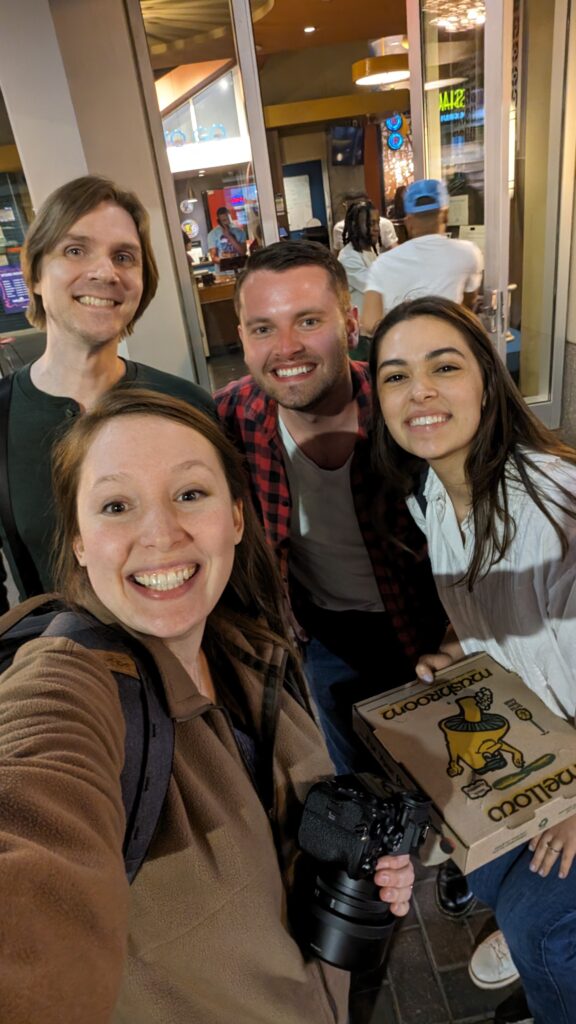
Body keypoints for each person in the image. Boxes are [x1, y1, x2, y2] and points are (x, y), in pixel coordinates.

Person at [0, 387, 415, 1023]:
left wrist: (349, 866)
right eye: (116, 506)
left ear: (238, 518)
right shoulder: (69, 686)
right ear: (80, 543)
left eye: (190, 493)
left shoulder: (252, 652)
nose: (161, 534)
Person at [370, 295, 576, 1024]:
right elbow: (503, 610)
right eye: (396, 376)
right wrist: (464, 647)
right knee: (483, 869)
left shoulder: (554, 509)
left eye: (445, 367)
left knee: (535, 924)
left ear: (488, 381)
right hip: (545, 739)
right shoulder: (434, 495)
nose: (419, 391)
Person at [215, 241, 446, 774]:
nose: (286, 348)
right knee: (356, 778)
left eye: (308, 320)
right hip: (318, 634)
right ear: (242, 339)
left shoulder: (406, 407)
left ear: (351, 324)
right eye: (263, 328)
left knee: (447, 772)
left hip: (430, 626)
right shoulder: (231, 417)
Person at [0, 174, 215, 612]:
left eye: (123, 257)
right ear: (35, 274)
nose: (105, 272)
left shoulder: (188, 405)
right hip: (55, 648)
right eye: (75, 250)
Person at [361, 179, 483, 336]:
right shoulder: (468, 253)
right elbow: (468, 304)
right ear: (445, 215)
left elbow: (370, 323)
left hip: (401, 347)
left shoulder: (382, 263)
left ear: (408, 222)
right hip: (448, 344)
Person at [337, 199, 380, 360]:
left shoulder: (370, 250)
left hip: (374, 332)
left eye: (377, 223)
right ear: (355, 226)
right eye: (370, 224)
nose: (376, 228)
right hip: (360, 337)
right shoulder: (348, 257)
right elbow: (377, 286)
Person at [332, 191, 397, 254]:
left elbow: (395, 251)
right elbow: (337, 254)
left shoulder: (384, 224)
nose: (376, 228)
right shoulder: (339, 228)